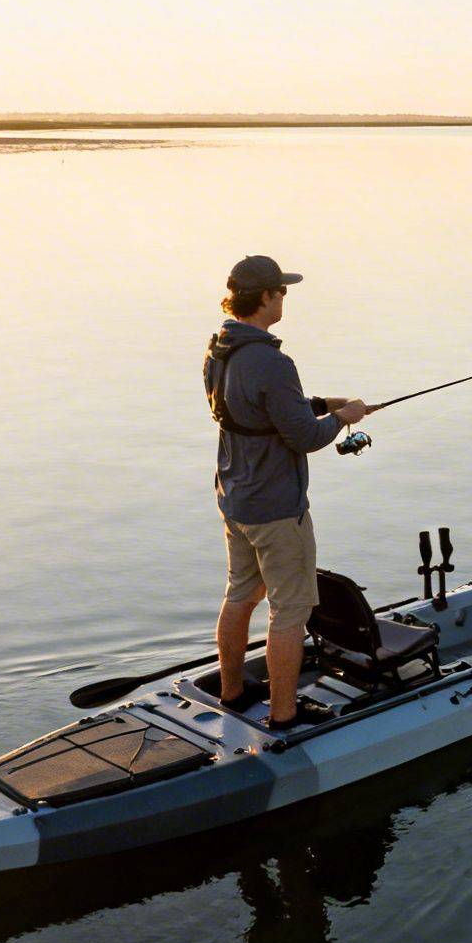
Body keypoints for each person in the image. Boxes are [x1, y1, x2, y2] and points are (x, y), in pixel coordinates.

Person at [205, 255, 371, 727]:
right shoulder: (275, 361)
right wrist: (342, 418)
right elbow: (305, 437)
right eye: (281, 290)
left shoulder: (219, 348)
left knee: (240, 594)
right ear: (264, 297)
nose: (286, 297)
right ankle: (284, 715)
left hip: (235, 499)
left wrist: (319, 403)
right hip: (278, 509)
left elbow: (249, 410)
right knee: (290, 611)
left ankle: (232, 693)